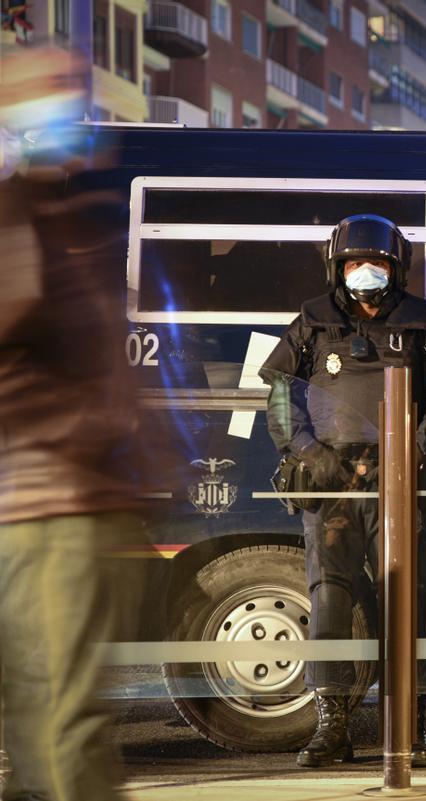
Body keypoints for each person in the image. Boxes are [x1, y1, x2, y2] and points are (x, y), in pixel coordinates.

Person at [260, 213, 426, 768]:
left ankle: (410, 727)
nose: (365, 273)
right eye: (355, 263)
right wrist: (307, 452)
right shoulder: (313, 320)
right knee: (329, 598)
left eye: (375, 264)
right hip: (331, 484)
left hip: (399, 482)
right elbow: (281, 393)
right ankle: (333, 725)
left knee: (404, 601)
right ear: (338, 268)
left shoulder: (421, 323)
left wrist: (419, 446)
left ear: (394, 270)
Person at [0, 47, 148, 801]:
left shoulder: (66, 215)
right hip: (50, 498)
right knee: (63, 714)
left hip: (64, 496)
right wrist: (89, 428)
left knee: (41, 709)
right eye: (53, 91)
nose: (72, 105)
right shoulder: (19, 216)